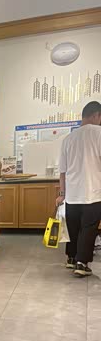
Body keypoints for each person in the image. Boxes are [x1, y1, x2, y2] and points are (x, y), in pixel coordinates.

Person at [57, 101, 101, 277]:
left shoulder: (68, 139)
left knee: (73, 228)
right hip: (93, 192)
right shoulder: (99, 133)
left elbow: (62, 171)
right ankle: (82, 263)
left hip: (72, 195)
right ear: (96, 115)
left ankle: (71, 258)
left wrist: (62, 194)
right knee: (88, 228)